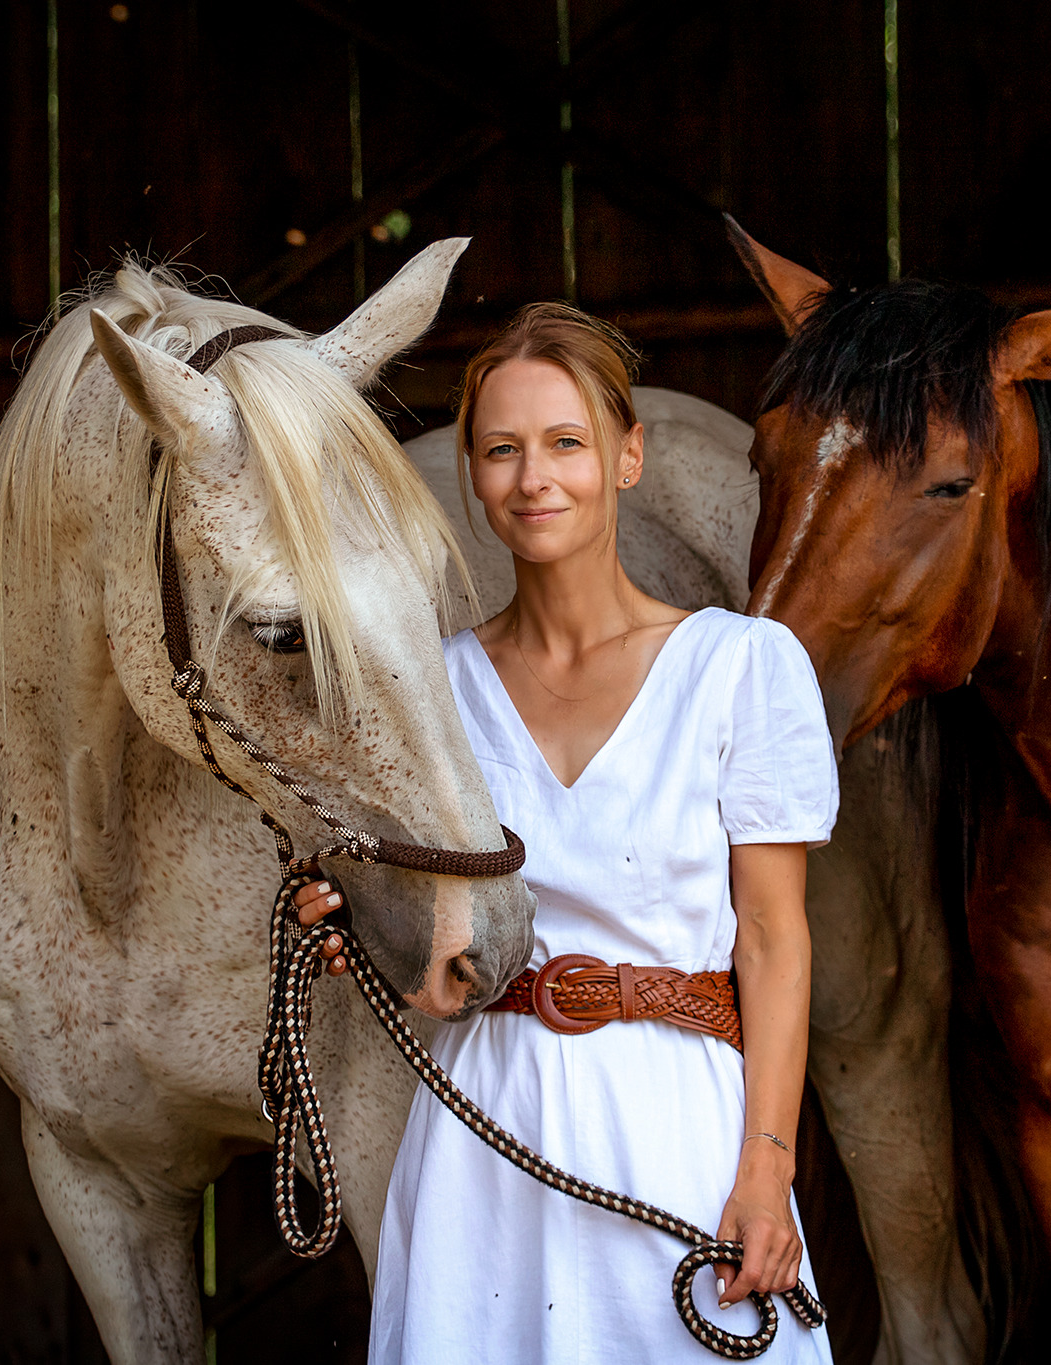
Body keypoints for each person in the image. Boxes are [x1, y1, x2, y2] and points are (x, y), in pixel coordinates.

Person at [295, 301, 838, 1363]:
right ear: (471, 472)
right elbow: (434, 958)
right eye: (501, 449)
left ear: (626, 457)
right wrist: (361, 932)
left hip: (678, 1126)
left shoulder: (741, 666)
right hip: (484, 1143)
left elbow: (775, 940)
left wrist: (766, 1167)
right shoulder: (435, 693)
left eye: (565, 443)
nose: (532, 477)